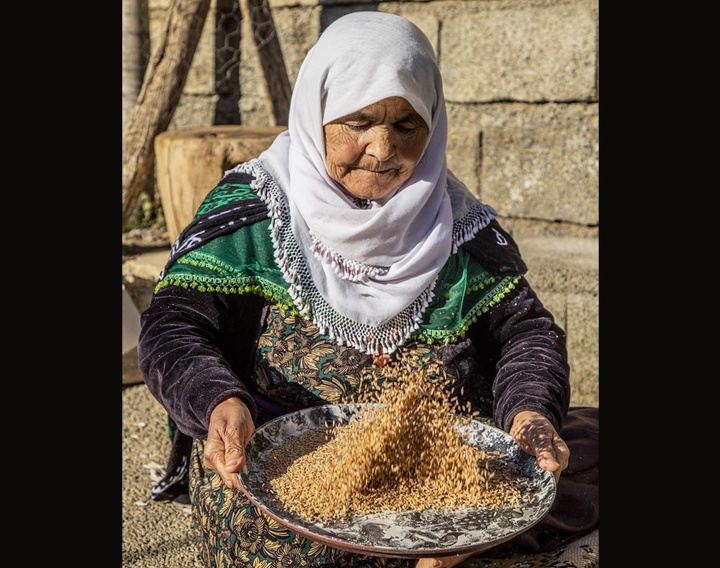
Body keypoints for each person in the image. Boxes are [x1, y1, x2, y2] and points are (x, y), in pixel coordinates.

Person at [139, 11, 598, 568]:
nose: (383, 150)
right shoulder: (254, 214)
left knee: (536, 476)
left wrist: (529, 413)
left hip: (438, 463)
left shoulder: (456, 223)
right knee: (280, 545)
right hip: (286, 465)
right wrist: (218, 401)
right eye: (358, 122)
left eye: (407, 126)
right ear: (318, 112)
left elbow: (527, 332)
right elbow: (174, 326)